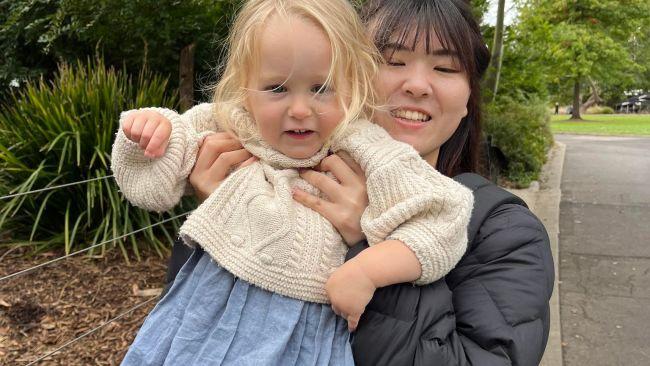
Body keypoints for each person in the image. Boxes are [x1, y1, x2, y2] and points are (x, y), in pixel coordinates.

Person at [173, 0, 555, 365]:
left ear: (470, 96)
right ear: (345, 74)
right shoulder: (267, 175)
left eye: (445, 68)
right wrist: (226, 214)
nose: (418, 85)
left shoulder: (505, 234)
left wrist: (370, 247)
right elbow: (192, 326)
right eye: (391, 61)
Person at [111, 0, 475, 364]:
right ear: (245, 88)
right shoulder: (231, 122)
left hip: (302, 335)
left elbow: (444, 216)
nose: (300, 109)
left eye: (321, 88)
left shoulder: (363, 147)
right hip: (199, 319)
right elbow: (153, 187)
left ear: (353, 85)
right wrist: (150, 133)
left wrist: (367, 268)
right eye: (277, 89)